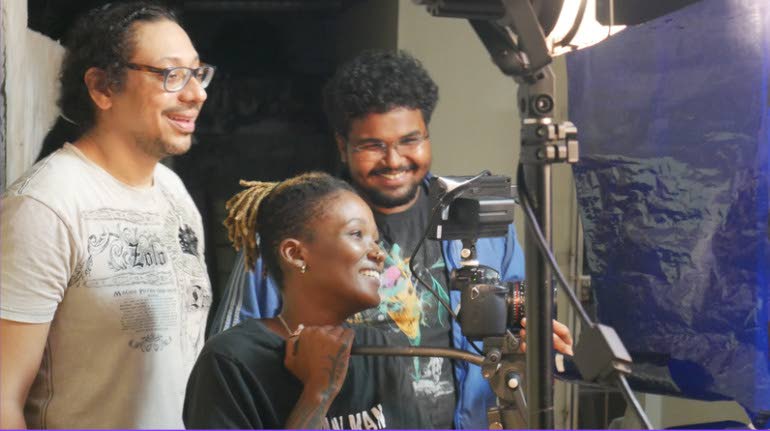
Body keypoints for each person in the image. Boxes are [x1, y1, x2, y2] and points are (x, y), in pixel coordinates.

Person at [210, 50, 572, 429]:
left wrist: (535, 346)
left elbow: (518, 337)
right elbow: (235, 364)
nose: (394, 160)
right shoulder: (293, 230)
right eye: (372, 145)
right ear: (341, 145)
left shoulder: (481, 223)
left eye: (409, 140)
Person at [0, 2, 215, 428]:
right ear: (102, 88)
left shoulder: (174, 193)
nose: (196, 93)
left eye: (197, 72)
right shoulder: (46, 207)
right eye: (171, 75)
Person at [184, 172, 428, 429]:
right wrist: (318, 392)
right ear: (296, 254)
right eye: (357, 234)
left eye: (376, 240)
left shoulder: (378, 348)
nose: (379, 253)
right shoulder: (231, 360)